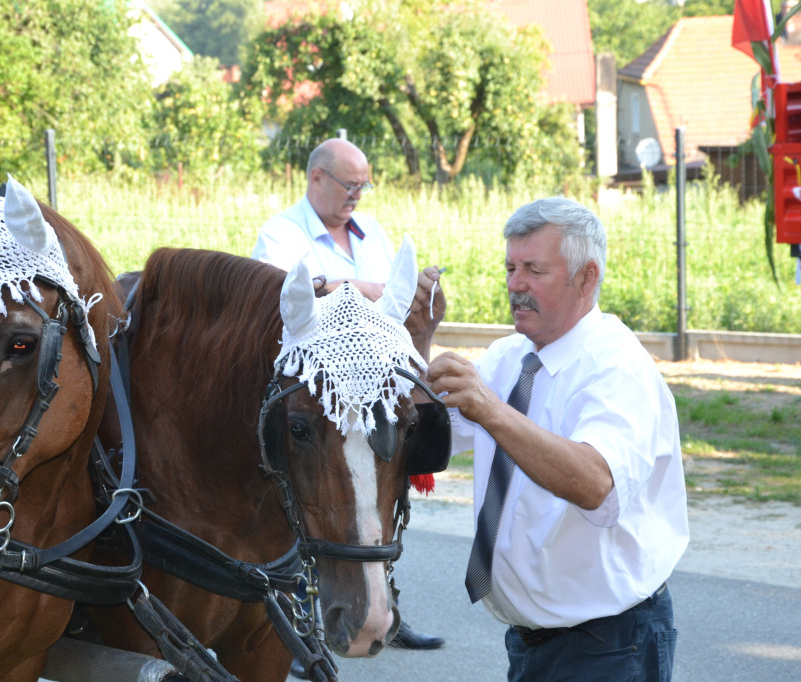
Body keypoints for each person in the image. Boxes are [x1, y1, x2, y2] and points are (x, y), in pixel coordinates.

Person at [426, 197, 688, 681]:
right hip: (534, 643)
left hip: (608, 647)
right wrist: (418, 334)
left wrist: (493, 411)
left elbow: (595, 482)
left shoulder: (618, 367)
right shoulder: (509, 356)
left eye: (533, 270)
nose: (515, 285)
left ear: (586, 277)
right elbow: (426, 434)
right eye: (509, 267)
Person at [252, 138, 445, 678]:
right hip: (317, 403)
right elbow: (279, 298)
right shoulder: (282, 233)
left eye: (363, 185)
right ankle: (294, 631)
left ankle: (380, 607)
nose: (358, 195)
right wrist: (363, 287)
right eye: (349, 184)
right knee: (313, 510)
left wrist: (417, 300)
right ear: (316, 179)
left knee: (375, 503)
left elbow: (391, 305)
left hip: (370, 399)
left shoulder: (372, 232)